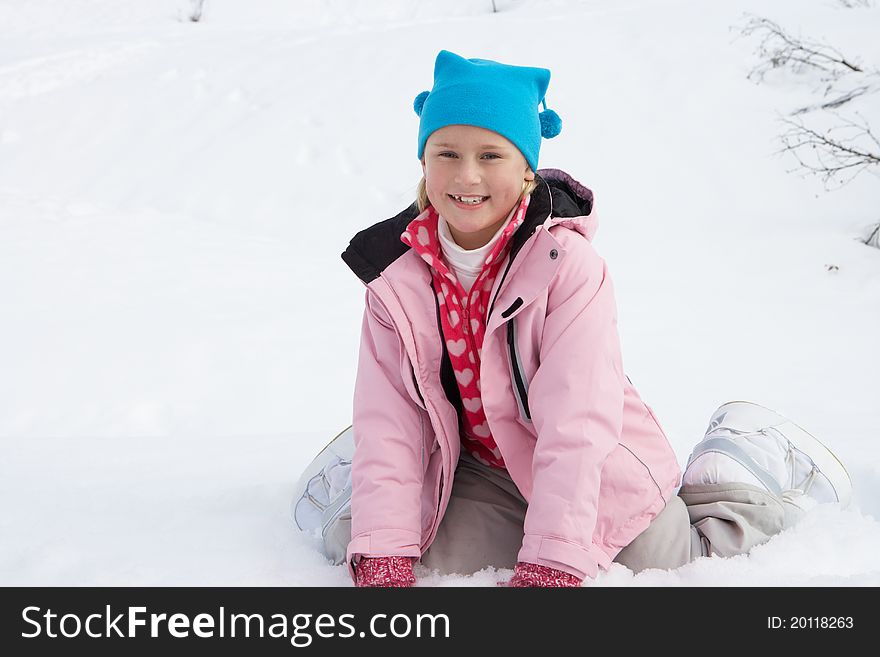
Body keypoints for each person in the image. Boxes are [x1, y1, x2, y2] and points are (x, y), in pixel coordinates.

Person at [302, 49, 852, 587]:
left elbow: (577, 424)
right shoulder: (397, 277)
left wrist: (553, 561)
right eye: (447, 152)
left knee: (665, 565)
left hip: (591, 462)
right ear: (424, 160)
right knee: (395, 556)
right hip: (481, 469)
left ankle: (734, 468)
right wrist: (383, 549)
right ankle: (359, 481)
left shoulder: (567, 269)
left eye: (491, 155)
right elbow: (392, 415)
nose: (466, 175)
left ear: (525, 170)